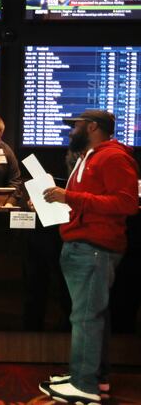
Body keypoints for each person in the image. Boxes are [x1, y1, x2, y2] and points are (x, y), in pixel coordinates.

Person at [39, 110, 138, 405]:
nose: (71, 131)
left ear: (93, 127)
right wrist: (54, 199)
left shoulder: (113, 157)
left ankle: (84, 386)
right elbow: (85, 200)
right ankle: (95, 378)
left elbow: (127, 203)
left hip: (94, 247)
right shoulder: (90, 156)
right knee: (94, 317)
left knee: (86, 318)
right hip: (83, 244)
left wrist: (69, 197)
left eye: (76, 126)